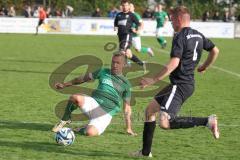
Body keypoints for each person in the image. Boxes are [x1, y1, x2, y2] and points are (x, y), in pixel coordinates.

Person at [132, 6, 220, 157]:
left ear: (179, 19)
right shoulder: (198, 35)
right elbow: (215, 50)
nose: (171, 22)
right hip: (183, 84)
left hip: (179, 85)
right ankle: (145, 152)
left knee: (165, 123)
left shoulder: (179, 36)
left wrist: (151, 80)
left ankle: (207, 121)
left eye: (172, 19)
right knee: (149, 111)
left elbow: (173, 64)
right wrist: (204, 66)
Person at [52, 52, 137, 136]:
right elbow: (83, 78)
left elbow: (127, 108)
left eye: (118, 63)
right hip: (93, 104)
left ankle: (82, 129)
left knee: (90, 132)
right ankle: (65, 119)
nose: (114, 65)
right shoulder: (103, 72)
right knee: (75, 97)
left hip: (106, 114)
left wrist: (128, 128)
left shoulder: (126, 84)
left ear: (124, 64)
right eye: (113, 62)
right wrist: (65, 84)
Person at [114, 0, 145, 71]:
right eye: (123, 5)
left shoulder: (131, 15)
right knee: (128, 54)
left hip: (127, 35)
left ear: (128, 6)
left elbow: (139, 24)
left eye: (126, 5)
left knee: (121, 50)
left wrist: (137, 30)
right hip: (120, 36)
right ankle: (141, 64)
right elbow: (116, 23)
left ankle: (123, 66)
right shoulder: (118, 15)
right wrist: (115, 28)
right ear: (121, 6)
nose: (125, 7)